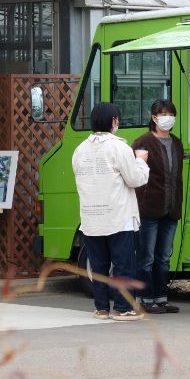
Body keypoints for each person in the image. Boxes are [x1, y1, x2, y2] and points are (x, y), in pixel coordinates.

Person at [72, 102, 150, 321]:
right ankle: (123, 308)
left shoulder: (80, 150)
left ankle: (101, 308)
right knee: (123, 264)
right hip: (118, 216)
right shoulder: (119, 147)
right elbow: (135, 179)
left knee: (99, 265)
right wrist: (141, 162)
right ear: (114, 121)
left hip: (91, 217)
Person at [132, 99, 184, 315]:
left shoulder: (177, 142)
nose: (167, 118)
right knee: (146, 257)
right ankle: (144, 299)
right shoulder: (142, 142)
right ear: (153, 117)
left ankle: (161, 299)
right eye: (163, 114)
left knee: (163, 257)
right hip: (148, 208)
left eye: (171, 114)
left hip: (171, 208)